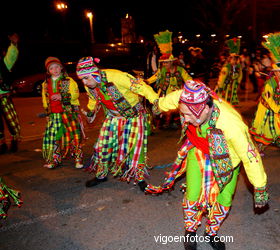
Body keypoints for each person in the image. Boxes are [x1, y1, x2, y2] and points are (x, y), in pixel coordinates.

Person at [146, 80, 269, 250]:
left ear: (204, 109)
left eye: (188, 115)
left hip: (227, 162)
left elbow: (250, 155)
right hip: (197, 151)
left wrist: (259, 186)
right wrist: (160, 105)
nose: (185, 119)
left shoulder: (231, 124)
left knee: (225, 199)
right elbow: (174, 98)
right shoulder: (188, 100)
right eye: (183, 114)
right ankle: (190, 230)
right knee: (193, 193)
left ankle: (211, 232)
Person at [76, 57, 159, 189]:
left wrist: (155, 100)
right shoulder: (90, 86)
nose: (85, 82)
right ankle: (101, 175)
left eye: (86, 78)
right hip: (113, 118)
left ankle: (140, 178)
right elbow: (93, 99)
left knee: (135, 150)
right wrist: (90, 112)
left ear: (95, 73)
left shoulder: (116, 76)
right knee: (102, 146)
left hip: (133, 117)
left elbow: (141, 87)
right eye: (82, 79)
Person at [250, 32, 280, 155]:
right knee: (266, 130)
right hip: (268, 109)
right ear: (275, 72)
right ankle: (258, 149)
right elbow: (269, 99)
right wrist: (277, 109)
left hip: (279, 108)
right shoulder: (269, 84)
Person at [41, 57, 84, 169]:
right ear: (48, 71)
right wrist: (47, 112)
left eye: (57, 67)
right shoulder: (45, 83)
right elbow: (45, 100)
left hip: (68, 112)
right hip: (54, 114)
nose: (54, 69)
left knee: (74, 135)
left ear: (61, 68)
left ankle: (78, 158)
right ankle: (55, 159)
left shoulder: (68, 80)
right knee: (54, 137)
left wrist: (62, 96)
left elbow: (75, 94)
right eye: (51, 68)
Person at [145, 30, 192, 129]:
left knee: (177, 109)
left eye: (166, 62)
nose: (164, 64)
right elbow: (155, 77)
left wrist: (192, 84)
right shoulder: (162, 70)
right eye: (163, 62)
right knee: (163, 108)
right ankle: (165, 123)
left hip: (176, 93)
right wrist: (147, 81)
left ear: (171, 62)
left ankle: (175, 123)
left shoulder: (180, 70)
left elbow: (187, 78)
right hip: (164, 93)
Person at [0, 32, 20, 154]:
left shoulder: (4, 63)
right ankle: (2, 144)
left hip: (3, 96)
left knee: (11, 121)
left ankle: (14, 141)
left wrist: (13, 43)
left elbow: (11, 56)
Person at [215, 38, 243, 106]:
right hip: (225, 85)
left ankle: (230, 104)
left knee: (231, 96)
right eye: (233, 59)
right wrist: (220, 86)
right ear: (230, 59)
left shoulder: (238, 67)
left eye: (236, 59)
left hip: (233, 85)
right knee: (224, 97)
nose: (234, 61)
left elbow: (240, 75)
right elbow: (222, 77)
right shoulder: (226, 67)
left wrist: (238, 81)